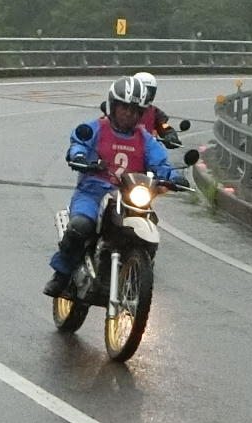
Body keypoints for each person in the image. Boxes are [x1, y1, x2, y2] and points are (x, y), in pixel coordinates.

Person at [45, 75, 189, 298]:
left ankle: (137, 271)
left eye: (134, 110)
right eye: (124, 108)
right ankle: (61, 274)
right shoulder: (96, 128)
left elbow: (161, 163)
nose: (129, 114)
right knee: (80, 226)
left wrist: (174, 177)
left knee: (149, 226)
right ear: (113, 106)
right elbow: (79, 144)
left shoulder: (146, 139)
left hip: (129, 195)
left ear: (141, 113)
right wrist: (80, 157)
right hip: (93, 192)